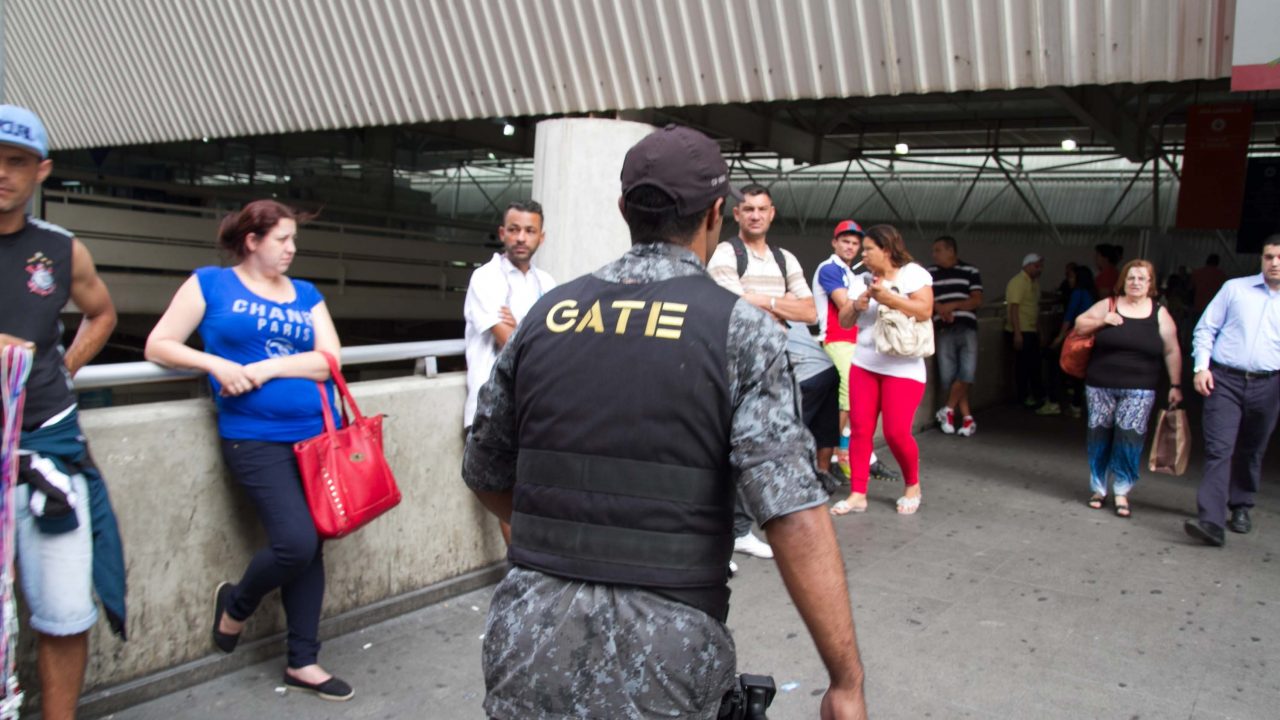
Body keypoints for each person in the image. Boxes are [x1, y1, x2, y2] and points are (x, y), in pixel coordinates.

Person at [462, 124, 866, 719]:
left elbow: (483, 467)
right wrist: (845, 680)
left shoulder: (546, 315)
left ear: (625, 209)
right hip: (668, 656)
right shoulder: (738, 328)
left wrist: (562, 539)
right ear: (716, 214)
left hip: (527, 642)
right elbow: (793, 515)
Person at [145, 200, 353, 701]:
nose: (292, 249)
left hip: (316, 434)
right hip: (254, 434)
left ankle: (303, 660)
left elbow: (330, 359)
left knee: (312, 546)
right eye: (282, 239)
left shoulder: (305, 293)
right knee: (295, 543)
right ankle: (237, 604)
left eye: (293, 240)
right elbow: (159, 344)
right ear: (252, 240)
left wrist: (266, 369)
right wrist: (215, 364)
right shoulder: (210, 284)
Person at [0, 104, 125, 720]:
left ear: (41, 171)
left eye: (16, 162)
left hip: (48, 449)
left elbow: (102, 313)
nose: (2, 173)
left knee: (64, 609)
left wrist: (62, 368)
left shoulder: (60, 250)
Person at [706, 183, 815, 560]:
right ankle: (721, 537)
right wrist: (782, 305)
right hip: (732, 366)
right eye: (747, 209)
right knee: (723, 451)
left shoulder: (784, 259)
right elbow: (730, 307)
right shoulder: (726, 253)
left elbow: (810, 311)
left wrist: (763, 300)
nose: (754, 215)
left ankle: (739, 531)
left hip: (775, 364)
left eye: (761, 209)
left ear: (772, 213)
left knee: (761, 448)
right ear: (736, 214)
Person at [831, 224, 934, 516]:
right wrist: (859, 304)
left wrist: (887, 297)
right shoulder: (860, 279)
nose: (862, 254)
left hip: (903, 368)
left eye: (868, 249)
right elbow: (845, 321)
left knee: (896, 432)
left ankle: (912, 485)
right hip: (864, 364)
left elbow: (925, 309)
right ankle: (857, 494)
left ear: (886, 250)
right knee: (860, 430)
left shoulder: (913, 274)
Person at [1184, 239, 1280, 547]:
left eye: (1279, 258)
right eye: (1269, 256)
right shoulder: (1234, 289)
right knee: (1219, 449)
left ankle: (1240, 506)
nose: (1274, 263)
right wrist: (1201, 367)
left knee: (1252, 449)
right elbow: (1205, 328)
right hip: (1224, 380)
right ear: (1261, 259)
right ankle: (1211, 521)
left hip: (1269, 384)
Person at [1070, 260, 1182, 518]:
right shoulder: (1108, 304)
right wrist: (1103, 321)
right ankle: (1099, 488)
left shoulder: (1159, 313)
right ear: (1123, 281)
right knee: (1098, 436)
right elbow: (1079, 325)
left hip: (1140, 389)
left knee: (1129, 437)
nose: (1136, 283)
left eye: (1142, 278)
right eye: (1131, 278)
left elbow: (1172, 349)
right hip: (1100, 385)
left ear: (1150, 284)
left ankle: (1122, 490)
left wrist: (1176, 385)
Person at [812, 220, 899, 482]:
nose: (850, 247)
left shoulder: (851, 273)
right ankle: (829, 461)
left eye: (854, 243)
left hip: (856, 342)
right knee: (846, 400)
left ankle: (847, 456)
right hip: (836, 340)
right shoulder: (830, 269)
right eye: (845, 241)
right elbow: (843, 304)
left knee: (859, 403)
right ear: (834, 242)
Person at [463, 200, 557, 431]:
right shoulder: (486, 278)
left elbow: (557, 346)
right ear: (502, 233)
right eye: (514, 229)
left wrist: (519, 329)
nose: (521, 238)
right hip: (489, 409)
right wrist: (533, 331)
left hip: (532, 407)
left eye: (530, 231)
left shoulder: (547, 283)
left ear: (541, 237)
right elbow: (509, 343)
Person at [927, 235, 984, 436]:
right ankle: (967, 418)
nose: (934, 255)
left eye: (938, 250)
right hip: (943, 328)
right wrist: (939, 308)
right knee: (949, 376)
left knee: (967, 371)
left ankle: (948, 410)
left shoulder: (970, 271)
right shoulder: (930, 273)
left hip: (966, 326)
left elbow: (976, 300)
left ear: (951, 250)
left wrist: (952, 305)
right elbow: (924, 298)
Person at [786, 321, 844, 491]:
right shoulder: (792, 310)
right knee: (824, 428)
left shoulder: (760, 314)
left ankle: (793, 483)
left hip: (806, 375)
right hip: (827, 368)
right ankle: (823, 478)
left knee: (790, 431)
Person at [1046, 264, 1097, 418]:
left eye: (1071, 277)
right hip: (1088, 338)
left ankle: (1054, 402)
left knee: (1056, 368)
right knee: (1078, 372)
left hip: (1074, 337)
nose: (1069, 280)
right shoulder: (1092, 293)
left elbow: (1069, 316)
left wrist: (1059, 338)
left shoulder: (1078, 293)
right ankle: (1077, 405)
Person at [1005, 253, 1045, 409]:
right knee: (1023, 366)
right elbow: (1014, 308)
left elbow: (1035, 308)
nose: (1039, 269)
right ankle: (1023, 397)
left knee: (1033, 365)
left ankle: (1033, 395)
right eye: (1036, 266)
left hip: (1031, 329)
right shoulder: (1018, 282)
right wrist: (1017, 333)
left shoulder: (1034, 283)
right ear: (1026, 265)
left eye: (1040, 266)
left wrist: (1040, 330)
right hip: (1021, 330)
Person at [1190, 253, 1228, 318]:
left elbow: (1190, 289)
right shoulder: (1222, 275)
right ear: (1217, 262)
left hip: (1198, 306)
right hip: (1214, 308)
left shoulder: (1197, 272)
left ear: (1207, 261)